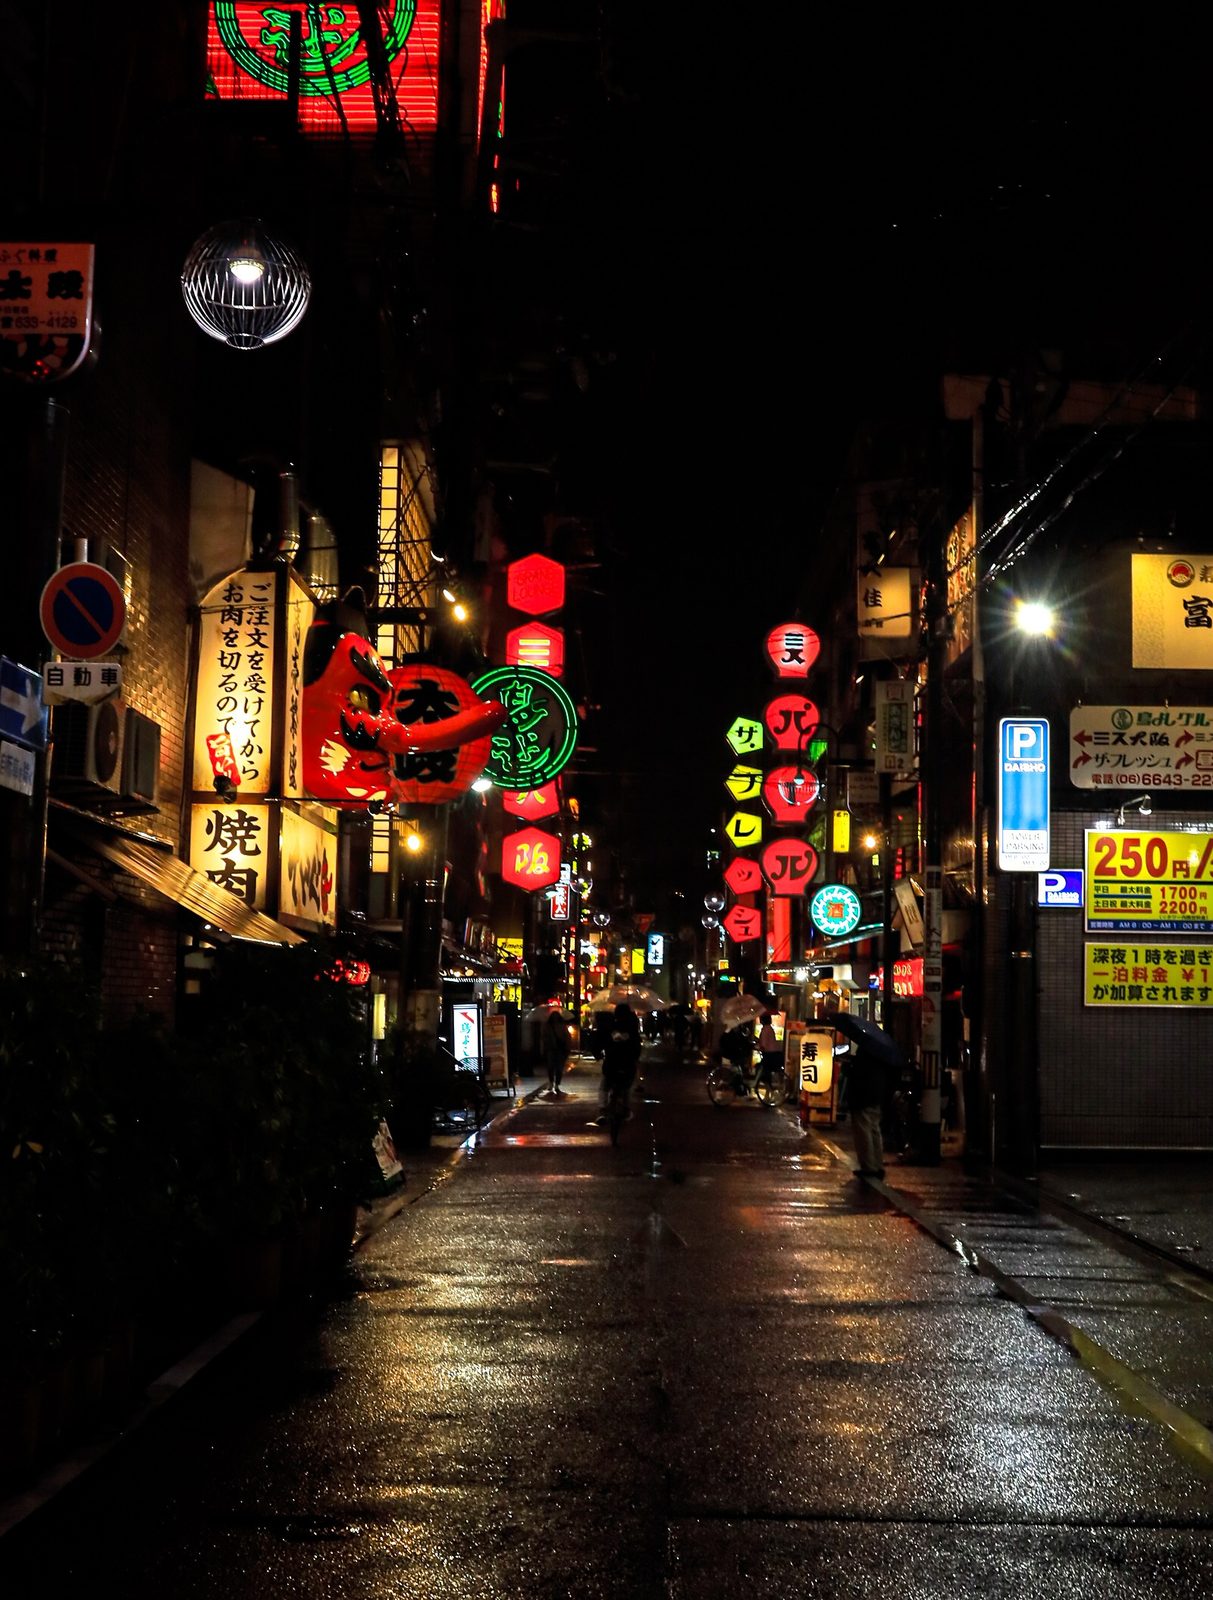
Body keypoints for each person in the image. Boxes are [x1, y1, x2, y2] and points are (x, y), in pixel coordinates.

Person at [841, 1036, 894, 1178]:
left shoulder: (865, 1052)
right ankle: (877, 1165)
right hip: (876, 1095)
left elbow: (859, 1074)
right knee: (874, 1130)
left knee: (863, 1132)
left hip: (863, 1096)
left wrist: (849, 1066)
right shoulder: (881, 1052)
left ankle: (868, 1167)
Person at [596, 1002, 640, 1123]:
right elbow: (637, 1049)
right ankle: (626, 1109)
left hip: (611, 1063)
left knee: (604, 1087)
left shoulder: (610, 1027)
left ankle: (602, 1110)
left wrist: (600, 1053)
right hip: (627, 1064)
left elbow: (603, 1042)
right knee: (627, 1088)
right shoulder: (632, 1029)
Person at [542, 1007, 572, 1096]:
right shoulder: (548, 1026)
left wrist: (567, 1047)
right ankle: (552, 1082)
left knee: (559, 1068)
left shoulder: (562, 1026)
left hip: (560, 1049)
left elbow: (567, 1037)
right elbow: (544, 1037)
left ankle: (556, 1084)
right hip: (551, 1049)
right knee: (551, 1067)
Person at [757, 1012, 783, 1097]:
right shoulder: (770, 1028)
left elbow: (764, 1044)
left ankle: (769, 1089)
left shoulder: (765, 1029)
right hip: (774, 1053)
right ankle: (771, 1089)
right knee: (769, 1071)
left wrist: (759, 1047)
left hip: (769, 1054)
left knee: (764, 1071)